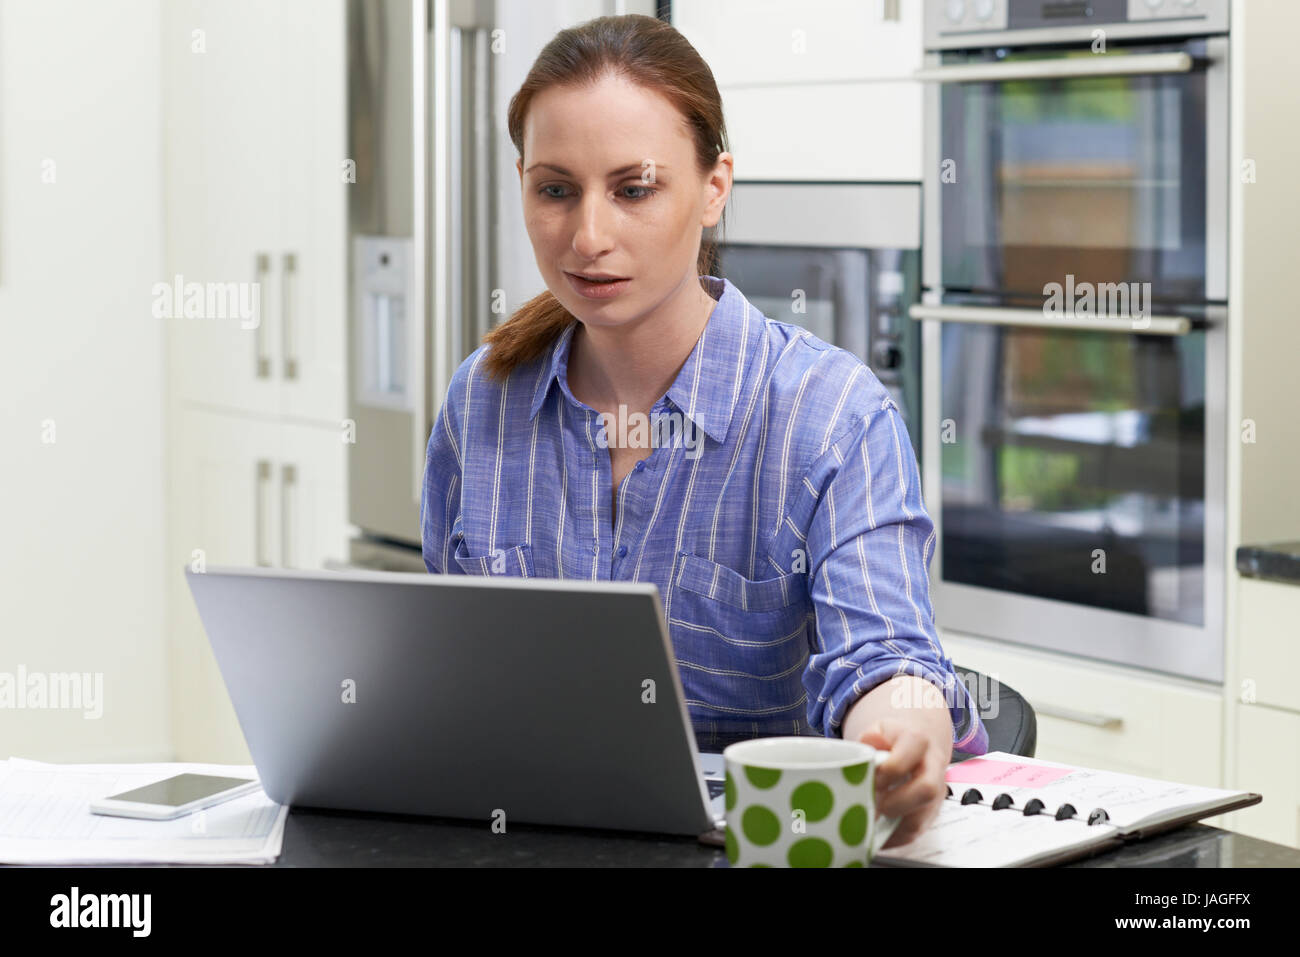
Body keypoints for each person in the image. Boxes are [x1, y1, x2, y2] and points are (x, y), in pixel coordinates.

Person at [421, 13, 987, 849]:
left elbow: (887, 657)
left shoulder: (832, 417)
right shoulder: (482, 401)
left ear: (715, 186)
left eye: (633, 188)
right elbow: (445, 670)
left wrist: (904, 734)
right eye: (555, 189)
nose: (588, 236)